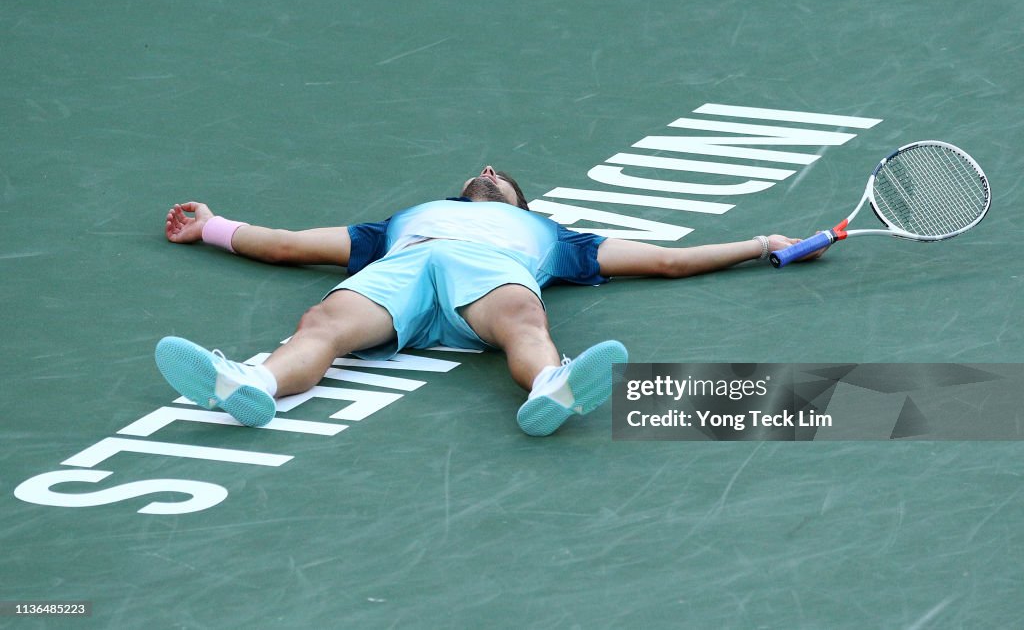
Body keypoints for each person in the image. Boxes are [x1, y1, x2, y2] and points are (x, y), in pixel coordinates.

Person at [156, 166, 816, 436]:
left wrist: (763, 241)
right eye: (483, 171)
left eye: (502, 175)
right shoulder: (399, 223)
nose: (490, 168)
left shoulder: (556, 238)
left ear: (521, 202)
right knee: (321, 322)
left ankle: (551, 386)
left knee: (524, 319)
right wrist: (211, 224)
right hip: (406, 270)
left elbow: (669, 260)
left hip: (491, 274)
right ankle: (251, 382)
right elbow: (288, 245)